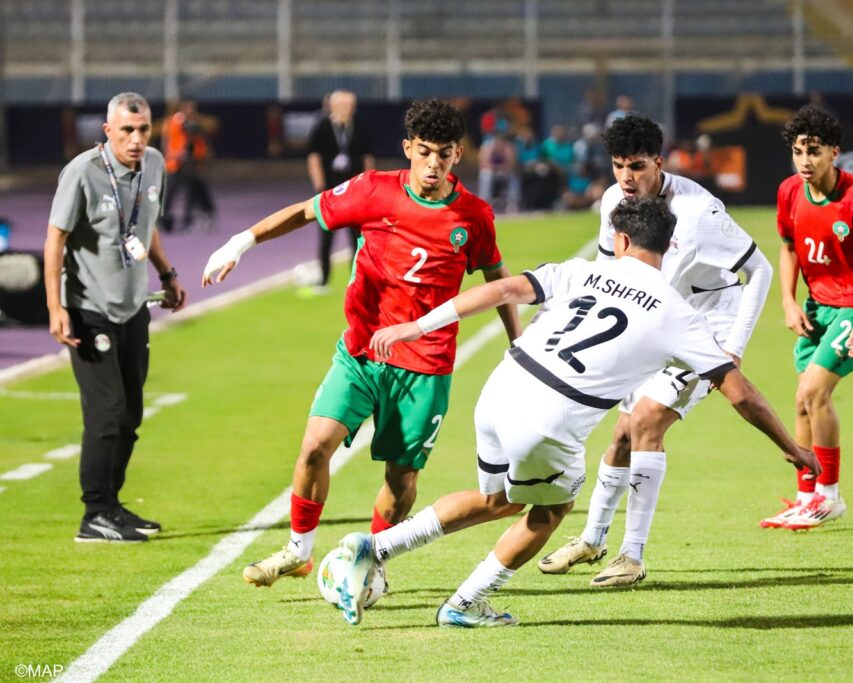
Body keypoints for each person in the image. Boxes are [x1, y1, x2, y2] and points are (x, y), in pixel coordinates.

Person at [327, 197, 818, 628]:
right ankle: (464, 604)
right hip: (549, 417)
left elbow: (501, 290)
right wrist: (793, 448)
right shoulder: (677, 313)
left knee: (497, 499)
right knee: (550, 510)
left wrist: (417, 327)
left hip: (500, 389)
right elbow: (740, 393)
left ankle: (377, 546)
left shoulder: (581, 269)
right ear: (669, 248)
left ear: (620, 240)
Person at [201, 99, 522, 587]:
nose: (433, 164)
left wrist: (516, 344)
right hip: (361, 353)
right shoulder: (373, 190)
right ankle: (298, 551)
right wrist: (241, 242)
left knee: (401, 479)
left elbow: (498, 279)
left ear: (458, 154)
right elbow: (306, 211)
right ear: (408, 148)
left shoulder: (473, 215)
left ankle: (372, 562)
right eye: (424, 152)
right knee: (315, 447)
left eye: (444, 154)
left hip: (424, 368)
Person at [538, 115, 774, 586]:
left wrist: (733, 347)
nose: (626, 177)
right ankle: (593, 538)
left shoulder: (699, 212)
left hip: (705, 326)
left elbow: (760, 270)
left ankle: (632, 555)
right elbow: (611, 269)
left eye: (637, 166)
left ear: (659, 163)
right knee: (622, 435)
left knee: (646, 420)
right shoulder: (614, 202)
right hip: (652, 322)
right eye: (618, 165)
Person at [43, 92, 187, 543]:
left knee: (130, 415)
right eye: (127, 130)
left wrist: (167, 274)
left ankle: (112, 505)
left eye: (143, 129)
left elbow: (145, 226)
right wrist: (55, 307)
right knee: (106, 413)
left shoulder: (155, 164)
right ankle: (94, 514)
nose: (136, 139)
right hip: (89, 310)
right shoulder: (83, 172)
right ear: (108, 131)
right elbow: (55, 239)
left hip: (133, 307)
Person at [761, 104, 853, 530]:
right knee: (802, 399)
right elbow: (789, 247)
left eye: (814, 151)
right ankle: (806, 497)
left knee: (814, 393)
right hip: (818, 307)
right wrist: (788, 301)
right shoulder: (789, 192)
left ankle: (830, 496)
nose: (805, 160)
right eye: (798, 151)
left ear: (834, 152)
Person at [305, 90, 375, 291]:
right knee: (326, 236)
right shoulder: (321, 127)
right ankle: (323, 280)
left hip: (356, 190)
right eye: (342, 104)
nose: (347, 108)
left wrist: (369, 186)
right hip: (330, 190)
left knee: (357, 238)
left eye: (350, 105)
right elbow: (313, 157)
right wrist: (319, 186)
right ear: (332, 106)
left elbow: (368, 157)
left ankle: (357, 281)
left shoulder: (360, 126)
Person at [161, 100, 216, 233]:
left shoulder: (196, 125)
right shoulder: (174, 122)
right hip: (175, 163)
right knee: (169, 192)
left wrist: (201, 158)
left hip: (191, 164)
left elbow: (202, 145)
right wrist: (173, 154)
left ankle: (189, 219)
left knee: (194, 191)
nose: (190, 111)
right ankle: (163, 219)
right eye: (187, 108)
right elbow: (167, 141)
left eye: (192, 108)